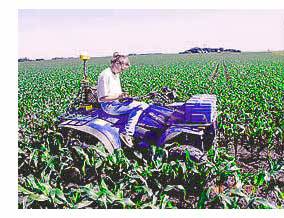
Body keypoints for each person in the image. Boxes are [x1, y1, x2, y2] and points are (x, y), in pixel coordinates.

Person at [97, 52, 149, 147]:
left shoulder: (115, 74)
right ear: (117, 63)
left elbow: (115, 93)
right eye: (122, 68)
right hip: (109, 106)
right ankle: (127, 133)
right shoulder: (105, 75)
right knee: (140, 106)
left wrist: (123, 97)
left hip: (117, 102)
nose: (122, 71)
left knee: (146, 105)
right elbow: (102, 98)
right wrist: (119, 97)